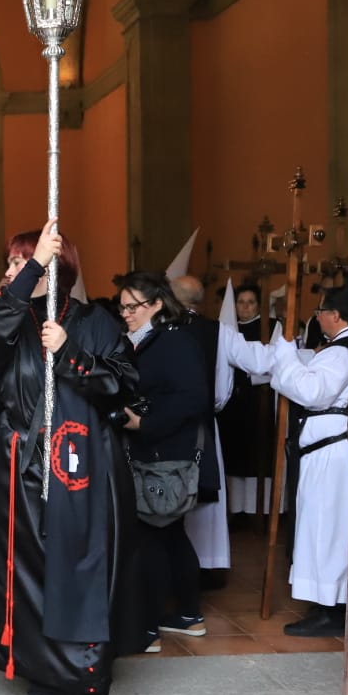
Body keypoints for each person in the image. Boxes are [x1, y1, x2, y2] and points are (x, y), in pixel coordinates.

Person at [0, 221, 143, 695]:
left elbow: (123, 387)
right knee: (30, 574)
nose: (6, 272)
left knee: (86, 573)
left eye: (17, 263)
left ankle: (93, 692)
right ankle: (43, 684)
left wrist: (70, 354)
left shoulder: (96, 322)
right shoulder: (8, 320)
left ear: (52, 268)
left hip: (85, 471)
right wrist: (27, 275)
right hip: (22, 471)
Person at [222, 283, 348, 636]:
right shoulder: (338, 348)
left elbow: (311, 392)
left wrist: (285, 358)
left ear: (336, 316)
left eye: (321, 311)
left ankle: (331, 610)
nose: (317, 317)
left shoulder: (343, 351)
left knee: (325, 527)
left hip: (330, 452)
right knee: (320, 525)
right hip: (324, 450)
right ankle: (326, 604)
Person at [118, 271, 213, 647]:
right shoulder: (146, 341)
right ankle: (189, 615)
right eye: (121, 307)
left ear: (157, 304)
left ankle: (148, 628)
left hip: (163, 453)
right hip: (154, 452)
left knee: (151, 536)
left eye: (133, 306)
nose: (125, 313)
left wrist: (145, 422)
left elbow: (193, 398)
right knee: (169, 534)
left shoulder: (174, 342)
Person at [170, 274, 232, 580]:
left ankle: (178, 569)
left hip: (168, 426)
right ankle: (207, 564)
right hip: (206, 423)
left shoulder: (159, 330)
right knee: (203, 501)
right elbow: (229, 382)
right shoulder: (217, 332)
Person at [217, 284, 279, 521]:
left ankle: (257, 511)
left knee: (257, 453)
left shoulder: (272, 326)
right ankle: (234, 512)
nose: (245, 307)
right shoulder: (224, 328)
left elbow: (275, 360)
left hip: (258, 399)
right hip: (232, 402)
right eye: (241, 302)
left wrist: (251, 374)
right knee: (233, 455)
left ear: (259, 305)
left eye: (251, 302)